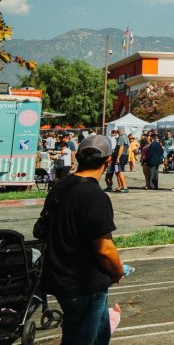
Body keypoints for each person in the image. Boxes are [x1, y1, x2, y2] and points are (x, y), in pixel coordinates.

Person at [38, 134, 125, 345]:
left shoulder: (61, 186)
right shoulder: (94, 196)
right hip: (84, 284)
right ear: (108, 160)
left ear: (78, 157)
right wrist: (118, 271)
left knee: (99, 337)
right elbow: (105, 249)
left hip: (60, 275)